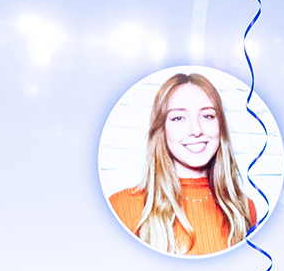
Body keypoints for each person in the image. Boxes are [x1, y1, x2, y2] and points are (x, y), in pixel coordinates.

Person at [109, 72, 258, 257]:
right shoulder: (121, 207)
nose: (196, 130)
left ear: (221, 126)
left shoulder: (244, 208)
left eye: (207, 116)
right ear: (161, 129)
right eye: (179, 118)